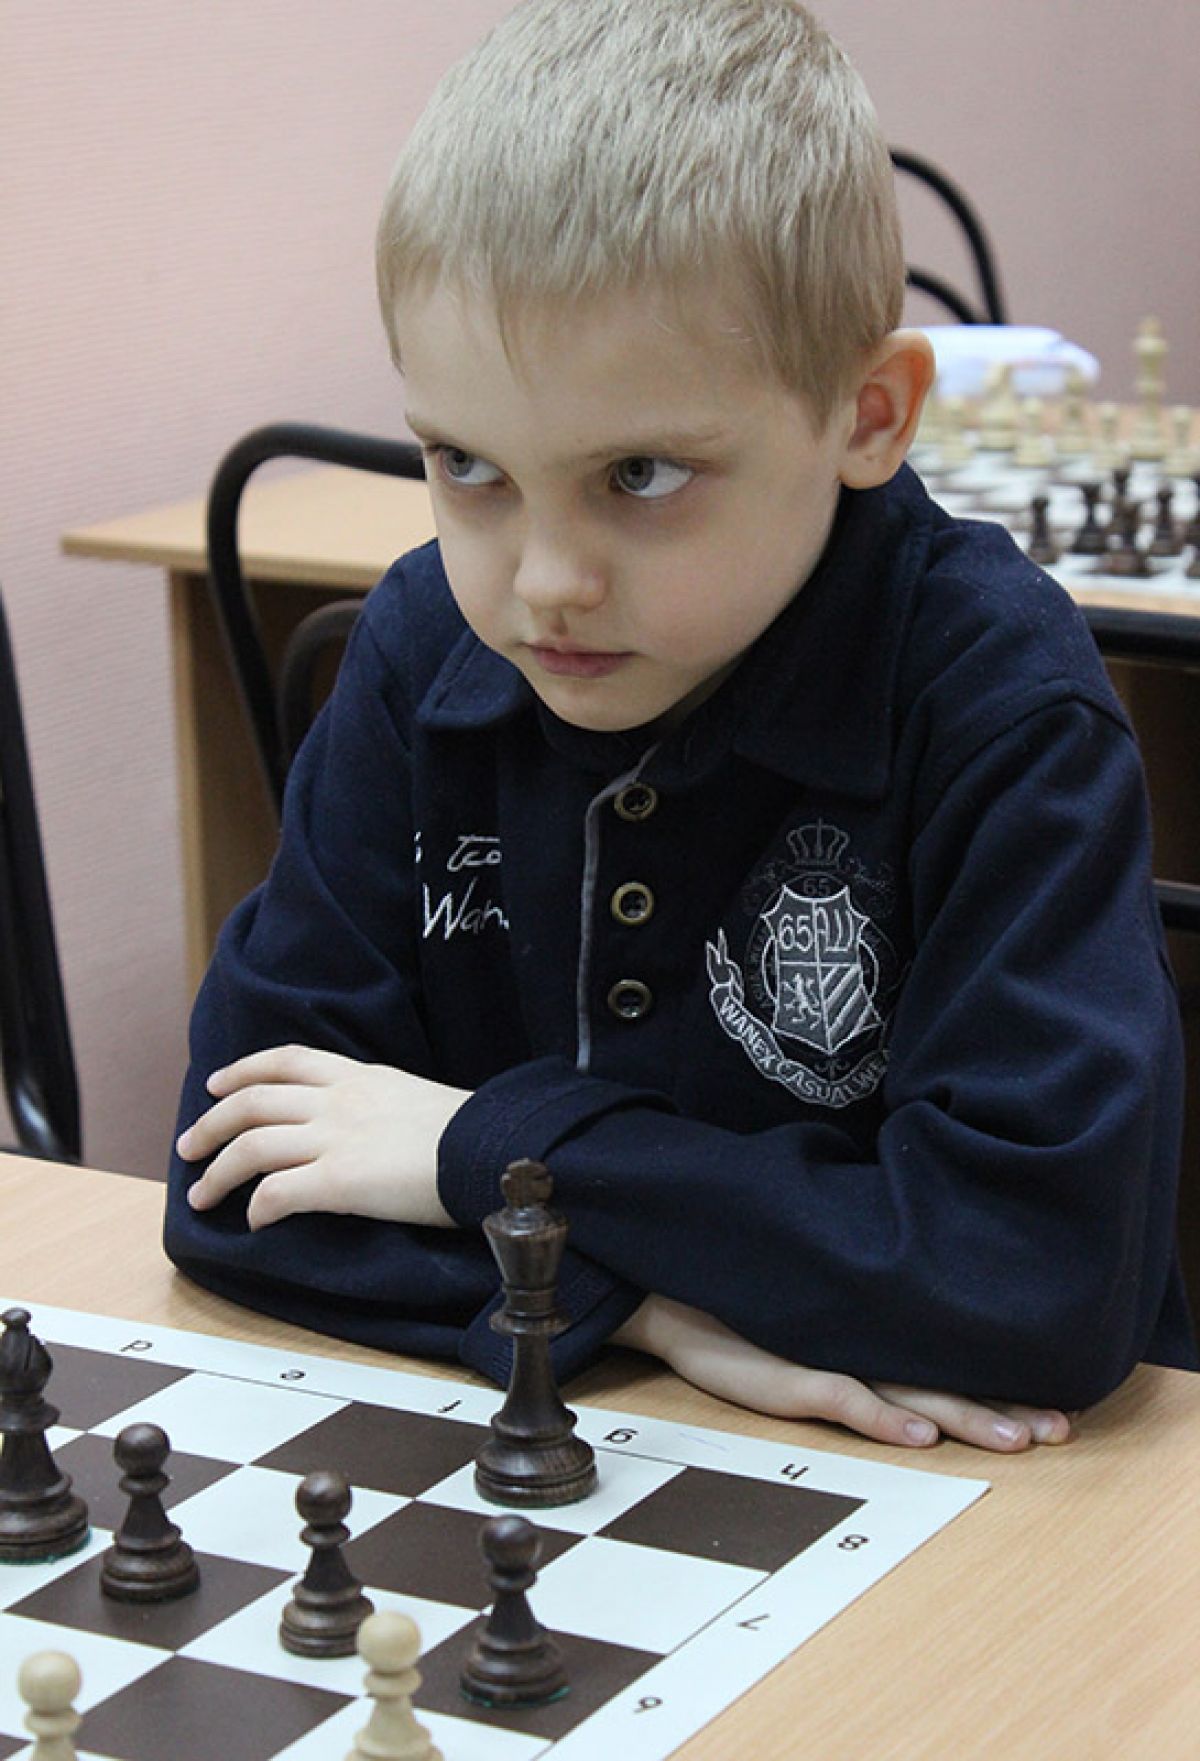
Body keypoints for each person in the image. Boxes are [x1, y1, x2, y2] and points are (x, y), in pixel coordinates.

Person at [165, 0, 1197, 1454]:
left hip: (1012, 1505)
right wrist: (645, 1304)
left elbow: (1037, 1284)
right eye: (466, 464)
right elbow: (230, 1186)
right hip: (613, 1427)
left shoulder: (996, 697)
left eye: (640, 474)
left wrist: (477, 1150)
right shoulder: (423, 648)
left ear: (868, 415)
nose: (543, 582)